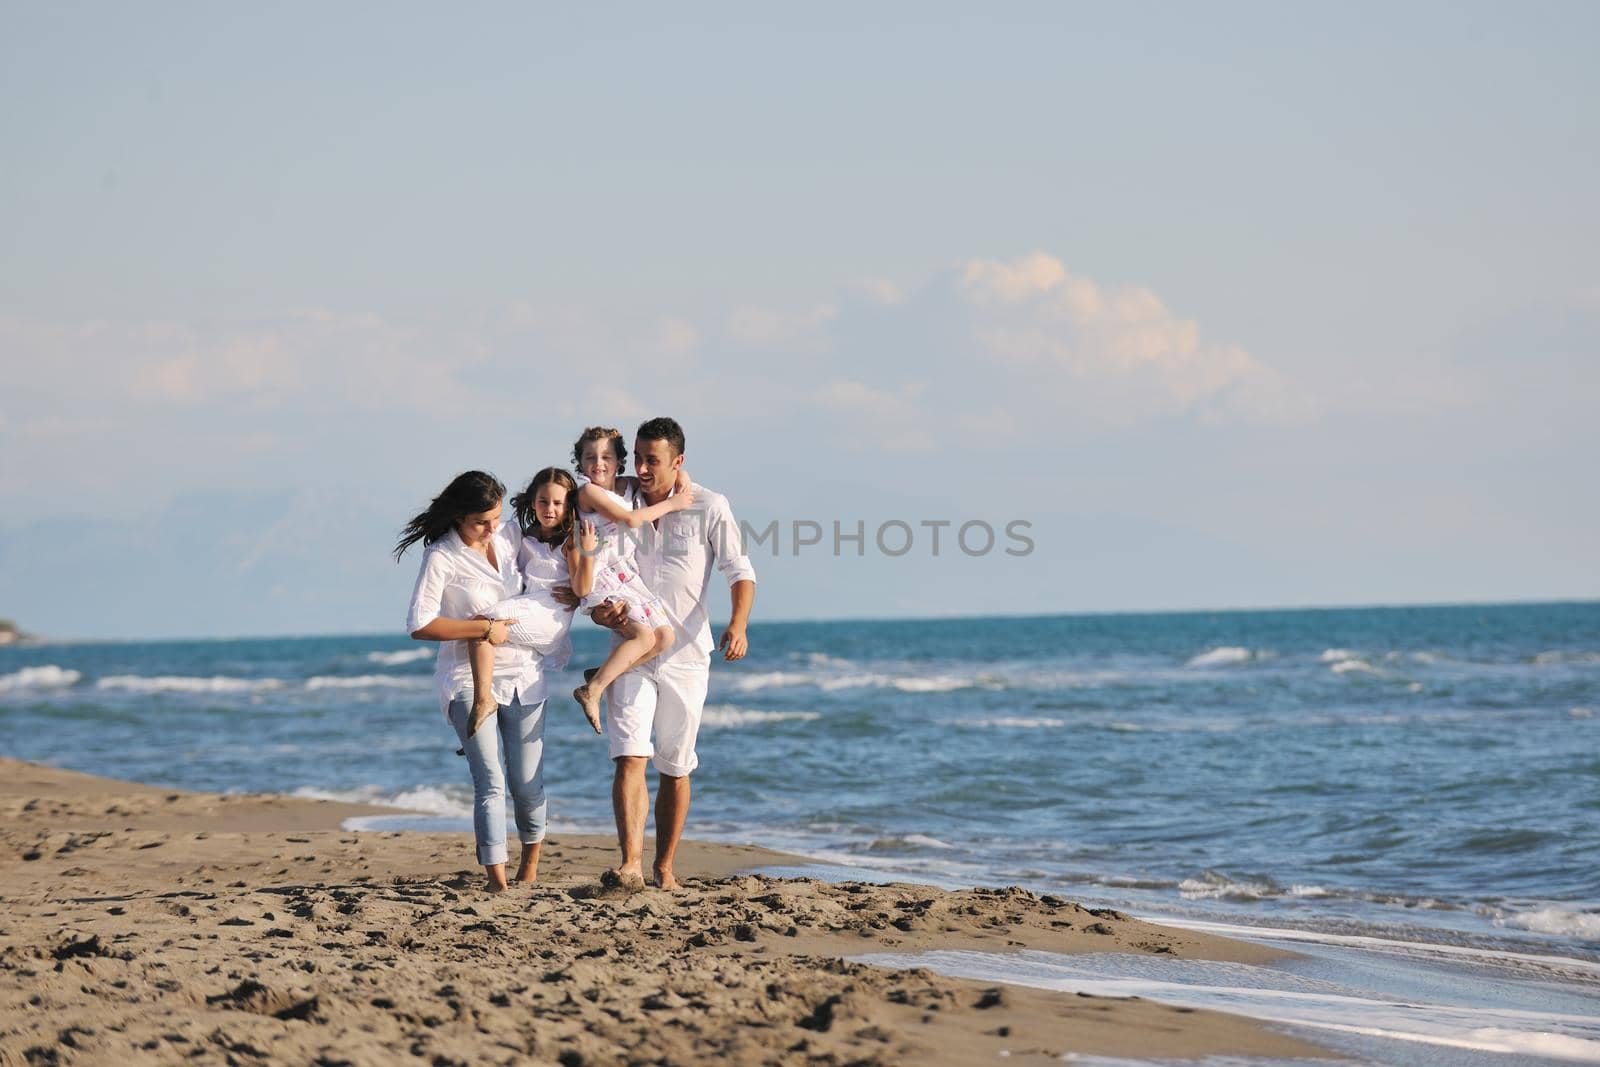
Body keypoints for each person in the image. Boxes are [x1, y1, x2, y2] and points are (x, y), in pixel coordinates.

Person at [562, 417, 756, 891]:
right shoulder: (620, 493)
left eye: (655, 461)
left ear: (678, 462)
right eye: (641, 459)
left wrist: (738, 623)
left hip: (688, 652)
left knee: (676, 762)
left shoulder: (709, 505)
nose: (644, 470)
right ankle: (630, 864)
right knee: (629, 754)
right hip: (631, 647)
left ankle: (664, 868)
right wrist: (598, 613)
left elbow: (739, 569)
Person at [397, 471, 548, 893]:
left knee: (526, 780)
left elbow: (551, 550)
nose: (491, 528)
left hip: (523, 673)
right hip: (466, 678)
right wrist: (479, 629)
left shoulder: (508, 536)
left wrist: (570, 589)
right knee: (491, 780)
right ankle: (496, 881)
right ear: (460, 517)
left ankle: (529, 868)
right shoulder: (441, 556)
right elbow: (420, 625)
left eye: (496, 518)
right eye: (481, 522)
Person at [565, 427, 698, 733]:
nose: (598, 463)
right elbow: (630, 520)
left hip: (626, 573)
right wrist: (676, 503)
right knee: (644, 637)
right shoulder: (588, 492)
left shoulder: (625, 486)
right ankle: (593, 689)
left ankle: (601, 676)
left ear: (620, 461)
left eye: (606, 457)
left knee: (665, 638)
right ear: (580, 463)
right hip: (601, 573)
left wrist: (684, 483)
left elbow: (676, 474)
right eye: (590, 457)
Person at [463, 467, 595, 738]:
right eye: (543, 501)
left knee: (482, 623)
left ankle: (482, 700)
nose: (550, 508)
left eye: (558, 503)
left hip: (551, 615)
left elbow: (582, 588)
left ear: (568, 505)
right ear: (532, 501)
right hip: (529, 606)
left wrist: (588, 552)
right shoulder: (527, 535)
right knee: (494, 647)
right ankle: (484, 728)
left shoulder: (570, 541)